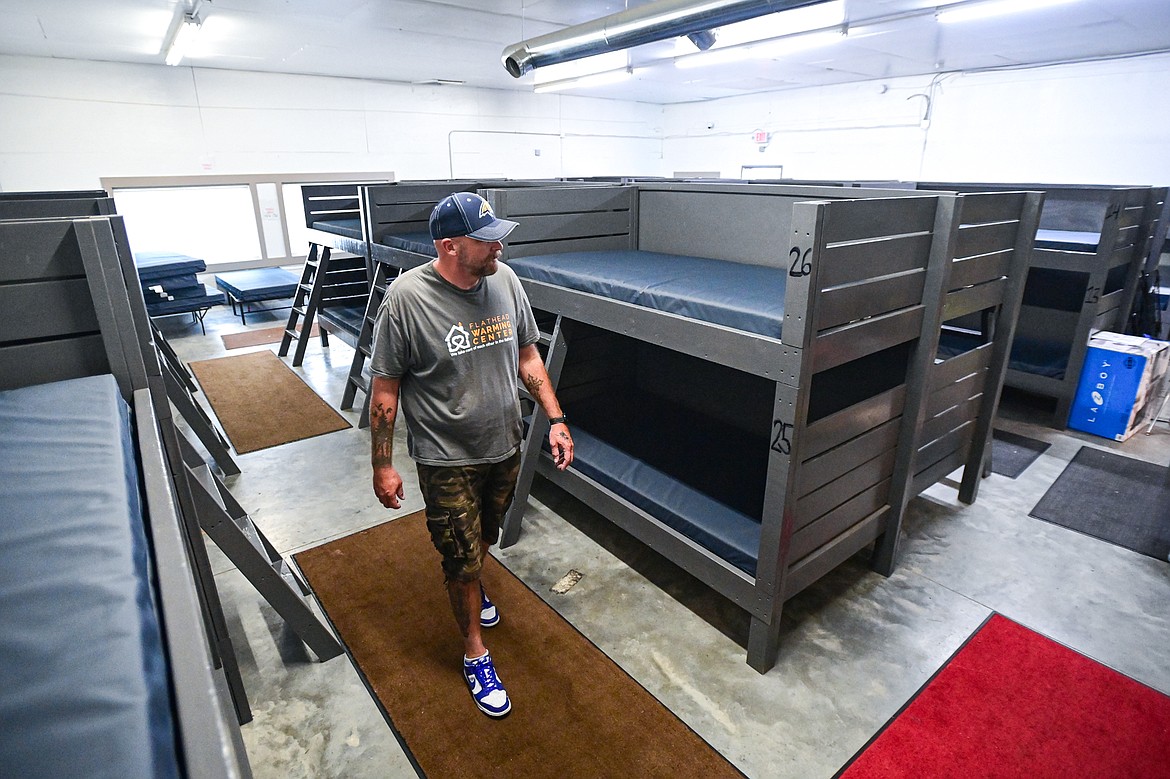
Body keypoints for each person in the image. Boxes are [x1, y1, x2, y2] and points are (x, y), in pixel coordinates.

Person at [368, 191, 573, 718]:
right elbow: (386, 388)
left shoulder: (504, 281)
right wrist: (382, 463)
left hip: (503, 443)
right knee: (459, 559)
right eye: (487, 241)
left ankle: (474, 582)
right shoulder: (406, 300)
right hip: (446, 455)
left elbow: (528, 354)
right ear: (450, 246)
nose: (499, 247)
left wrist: (555, 418)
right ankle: (474, 652)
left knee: (484, 538)